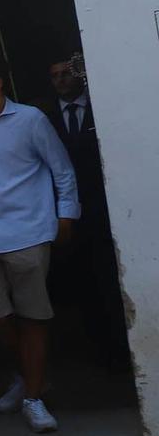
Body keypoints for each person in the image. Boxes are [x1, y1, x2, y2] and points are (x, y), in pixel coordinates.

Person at [0, 55, 79, 432]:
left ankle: (34, 396)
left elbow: (61, 169)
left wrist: (67, 213)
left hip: (28, 230)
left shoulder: (30, 120)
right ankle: (28, 376)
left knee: (34, 315)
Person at [45, 54, 129, 372]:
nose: (61, 80)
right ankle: (100, 352)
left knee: (111, 277)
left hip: (107, 208)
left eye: (66, 73)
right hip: (69, 213)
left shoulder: (102, 106)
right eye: (55, 75)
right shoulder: (46, 117)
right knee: (83, 283)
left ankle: (122, 349)